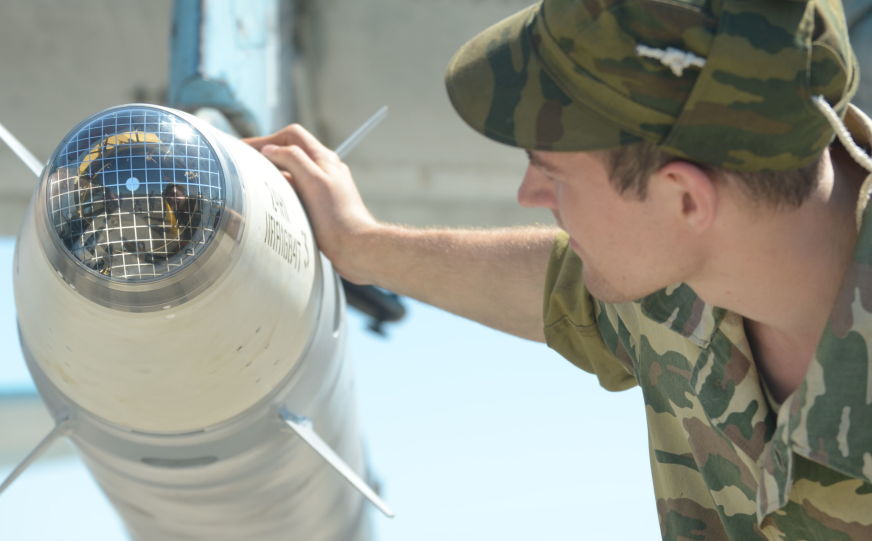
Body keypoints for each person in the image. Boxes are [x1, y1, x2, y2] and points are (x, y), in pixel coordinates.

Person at [246, 0, 872, 538]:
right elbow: (563, 291)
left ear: (685, 199)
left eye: (553, 171)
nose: (529, 193)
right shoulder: (694, 268)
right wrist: (360, 244)